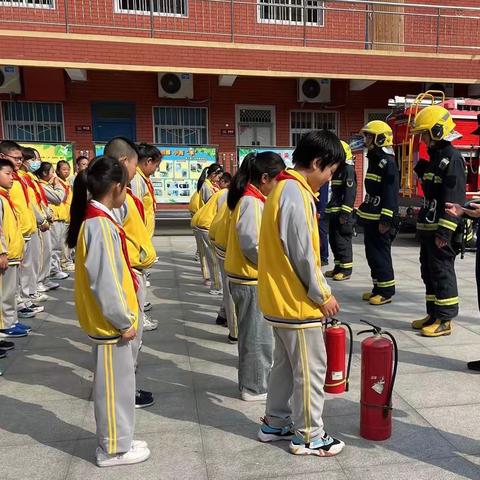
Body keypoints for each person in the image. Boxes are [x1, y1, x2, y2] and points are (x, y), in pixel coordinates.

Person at [257, 130, 345, 457]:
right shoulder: (294, 191)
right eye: (330, 172)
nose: (328, 180)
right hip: (296, 303)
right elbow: (303, 253)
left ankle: (275, 422)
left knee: (283, 366)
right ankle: (309, 435)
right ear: (317, 162)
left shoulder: (282, 188)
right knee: (310, 368)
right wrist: (323, 295)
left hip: (278, 299)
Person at [66, 155, 150, 467]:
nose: (128, 193)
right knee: (114, 388)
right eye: (126, 188)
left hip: (113, 323)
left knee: (122, 384)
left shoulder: (98, 220)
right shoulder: (99, 225)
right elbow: (105, 282)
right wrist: (122, 321)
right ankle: (113, 448)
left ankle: (121, 438)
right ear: (116, 186)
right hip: (111, 326)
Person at [225, 152, 285, 402]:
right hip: (249, 280)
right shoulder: (251, 202)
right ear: (264, 178)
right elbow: (251, 244)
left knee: (254, 335)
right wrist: (272, 265)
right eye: (277, 181)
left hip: (246, 279)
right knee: (258, 339)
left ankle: (253, 382)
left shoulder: (251, 198)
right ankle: (254, 387)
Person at [104, 136, 156, 407]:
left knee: (132, 342)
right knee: (128, 340)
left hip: (134, 269)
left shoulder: (121, 192)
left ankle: (127, 386)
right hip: (128, 273)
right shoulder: (115, 198)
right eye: (135, 164)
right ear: (125, 161)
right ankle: (125, 392)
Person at [410, 105, 466, 337]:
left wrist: (445, 232)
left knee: (442, 272)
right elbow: (434, 190)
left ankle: (445, 319)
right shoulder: (436, 158)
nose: (422, 139)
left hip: (440, 229)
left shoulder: (452, 158)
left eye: (425, 134)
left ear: (437, 131)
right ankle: (433, 313)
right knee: (429, 272)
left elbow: (453, 197)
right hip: (428, 226)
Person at [357, 121, 399, 306]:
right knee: (372, 254)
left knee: (381, 254)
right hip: (371, 217)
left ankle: (386, 291)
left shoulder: (387, 162)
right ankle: (377, 287)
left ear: (379, 138)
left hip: (381, 219)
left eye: (368, 136)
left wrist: (386, 219)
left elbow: (390, 193)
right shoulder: (374, 160)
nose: (365, 139)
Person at [0, 141, 42, 320]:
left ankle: (22, 302)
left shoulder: (19, 179)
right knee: (11, 281)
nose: (19, 161)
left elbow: (26, 205)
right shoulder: (8, 181)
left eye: (20, 159)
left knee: (22, 272)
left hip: (22, 232)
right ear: (3, 157)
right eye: (15, 158)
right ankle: (14, 311)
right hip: (12, 238)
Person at [192, 172, 232, 326]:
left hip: (202, 224)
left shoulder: (218, 191)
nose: (218, 182)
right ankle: (216, 286)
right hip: (208, 227)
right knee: (214, 260)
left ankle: (223, 313)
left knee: (207, 258)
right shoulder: (224, 194)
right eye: (218, 178)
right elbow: (223, 215)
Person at [0, 158, 29, 342]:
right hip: (6, 254)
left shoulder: (5, 197)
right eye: (7, 174)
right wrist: (2, 251)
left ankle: (11, 320)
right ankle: (5, 324)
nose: (12, 178)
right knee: (4, 293)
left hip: (12, 253)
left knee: (10, 292)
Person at [325, 141, 357, 281]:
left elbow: (350, 194)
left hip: (343, 215)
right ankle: (338, 267)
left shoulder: (348, 169)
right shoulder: (338, 169)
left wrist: (345, 214)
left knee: (343, 241)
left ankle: (346, 269)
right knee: (334, 240)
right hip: (335, 213)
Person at [35, 161, 69, 282]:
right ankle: (53, 271)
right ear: (44, 173)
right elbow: (58, 198)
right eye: (52, 172)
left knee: (58, 247)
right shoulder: (43, 185)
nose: (54, 175)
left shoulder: (48, 185)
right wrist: (57, 184)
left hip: (60, 217)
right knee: (53, 248)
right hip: (52, 220)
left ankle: (56, 269)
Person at [131, 144, 162, 239]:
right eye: (156, 166)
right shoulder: (136, 179)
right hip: (140, 238)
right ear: (148, 161)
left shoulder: (144, 179)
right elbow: (136, 212)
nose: (155, 171)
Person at [55, 160, 74, 272]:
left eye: (68, 169)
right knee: (62, 243)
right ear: (58, 171)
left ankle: (67, 261)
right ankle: (64, 263)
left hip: (68, 214)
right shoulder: (57, 182)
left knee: (67, 242)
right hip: (62, 214)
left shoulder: (66, 183)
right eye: (64, 169)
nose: (66, 171)